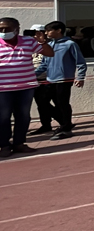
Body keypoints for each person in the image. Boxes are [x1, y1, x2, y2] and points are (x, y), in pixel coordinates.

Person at [0, 17, 53, 157]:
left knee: (23, 116)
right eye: (1, 29)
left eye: (7, 29)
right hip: (3, 89)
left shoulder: (28, 41)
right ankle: (4, 145)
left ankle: (19, 143)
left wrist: (42, 41)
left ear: (17, 29)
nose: (4, 32)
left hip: (26, 87)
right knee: (3, 117)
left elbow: (49, 53)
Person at [34, 21, 86, 140]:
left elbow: (80, 62)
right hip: (50, 79)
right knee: (42, 102)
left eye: (49, 30)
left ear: (58, 30)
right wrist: (31, 75)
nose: (46, 33)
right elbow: (43, 65)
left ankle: (66, 128)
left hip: (64, 79)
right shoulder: (49, 45)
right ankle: (65, 123)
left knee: (62, 103)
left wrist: (80, 76)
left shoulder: (70, 44)